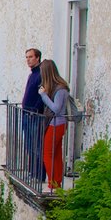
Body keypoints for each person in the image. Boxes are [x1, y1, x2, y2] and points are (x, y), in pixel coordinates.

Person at [38, 59, 70, 191]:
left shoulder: (60, 89)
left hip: (56, 125)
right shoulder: (59, 87)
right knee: (56, 153)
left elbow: (56, 109)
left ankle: (53, 183)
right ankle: (56, 182)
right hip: (57, 124)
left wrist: (44, 96)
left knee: (47, 154)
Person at [21, 48, 47, 182]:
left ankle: (39, 175)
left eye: (30, 57)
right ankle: (32, 172)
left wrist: (35, 110)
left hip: (34, 115)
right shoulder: (32, 74)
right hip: (27, 114)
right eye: (27, 57)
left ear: (37, 58)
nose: (28, 60)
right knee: (30, 145)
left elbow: (42, 95)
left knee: (36, 145)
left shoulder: (40, 75)